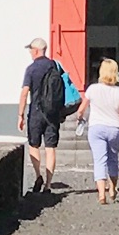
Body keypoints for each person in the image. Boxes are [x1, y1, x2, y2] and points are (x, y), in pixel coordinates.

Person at [15, 37, 71, 195]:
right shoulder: (54, 65)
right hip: (52, 113)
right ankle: (48, 184)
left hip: (36, 112)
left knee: (34, 145)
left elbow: (25, 93)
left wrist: (20, 114)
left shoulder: (31, 69)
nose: (30, 52)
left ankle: (38, 175)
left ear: (36, 50)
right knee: (51, 148)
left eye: (31, 49)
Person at [74, 57, 119, 205]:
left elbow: (81, 109)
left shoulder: (92, 89)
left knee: (99, 160)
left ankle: (101, 194)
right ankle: (112, 187)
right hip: (114, 128)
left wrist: (80, 117)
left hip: (96, 127)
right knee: (113, 159)